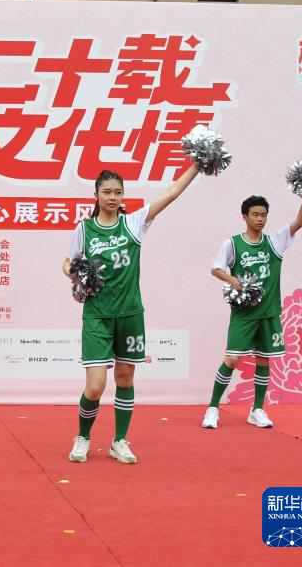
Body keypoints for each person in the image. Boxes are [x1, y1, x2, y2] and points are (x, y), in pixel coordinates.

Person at [63, 165, 199, 464]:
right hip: (97, 315)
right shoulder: (84, 229)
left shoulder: (134, 223)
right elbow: (67, 263)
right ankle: (83, 437)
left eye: (117, 192)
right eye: (106, 192)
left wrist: (198, 165)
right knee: (95, 386)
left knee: (125, 379)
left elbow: (172, 193)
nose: (112, 197)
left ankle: (120, 441)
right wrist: (79, 276)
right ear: (96, 195)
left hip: (130, 315)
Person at [201, 195, 302, 429]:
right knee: (232, 359)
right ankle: (212, 408)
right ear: (245, 216)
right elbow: (216, 268)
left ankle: (257, 409)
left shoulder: (274, 241)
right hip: (244, 313)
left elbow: (299, 222)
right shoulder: (233, 243)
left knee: (263, 360)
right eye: (255, 215)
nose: (260, 219)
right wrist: (234, 281)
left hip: (268, 313)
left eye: (264, 215)